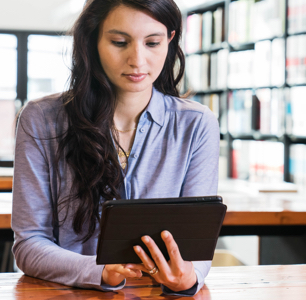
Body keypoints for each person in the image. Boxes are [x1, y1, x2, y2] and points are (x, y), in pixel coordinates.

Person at [11, 0, 219, 296]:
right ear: (92, 40)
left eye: (153, 43)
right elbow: (29, 244)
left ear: (170, 40)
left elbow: (197, 244)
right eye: (120, 42)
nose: (137, 60)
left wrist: (188, 278)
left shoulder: (197, 124)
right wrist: (100, 272)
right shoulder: (42, 119)